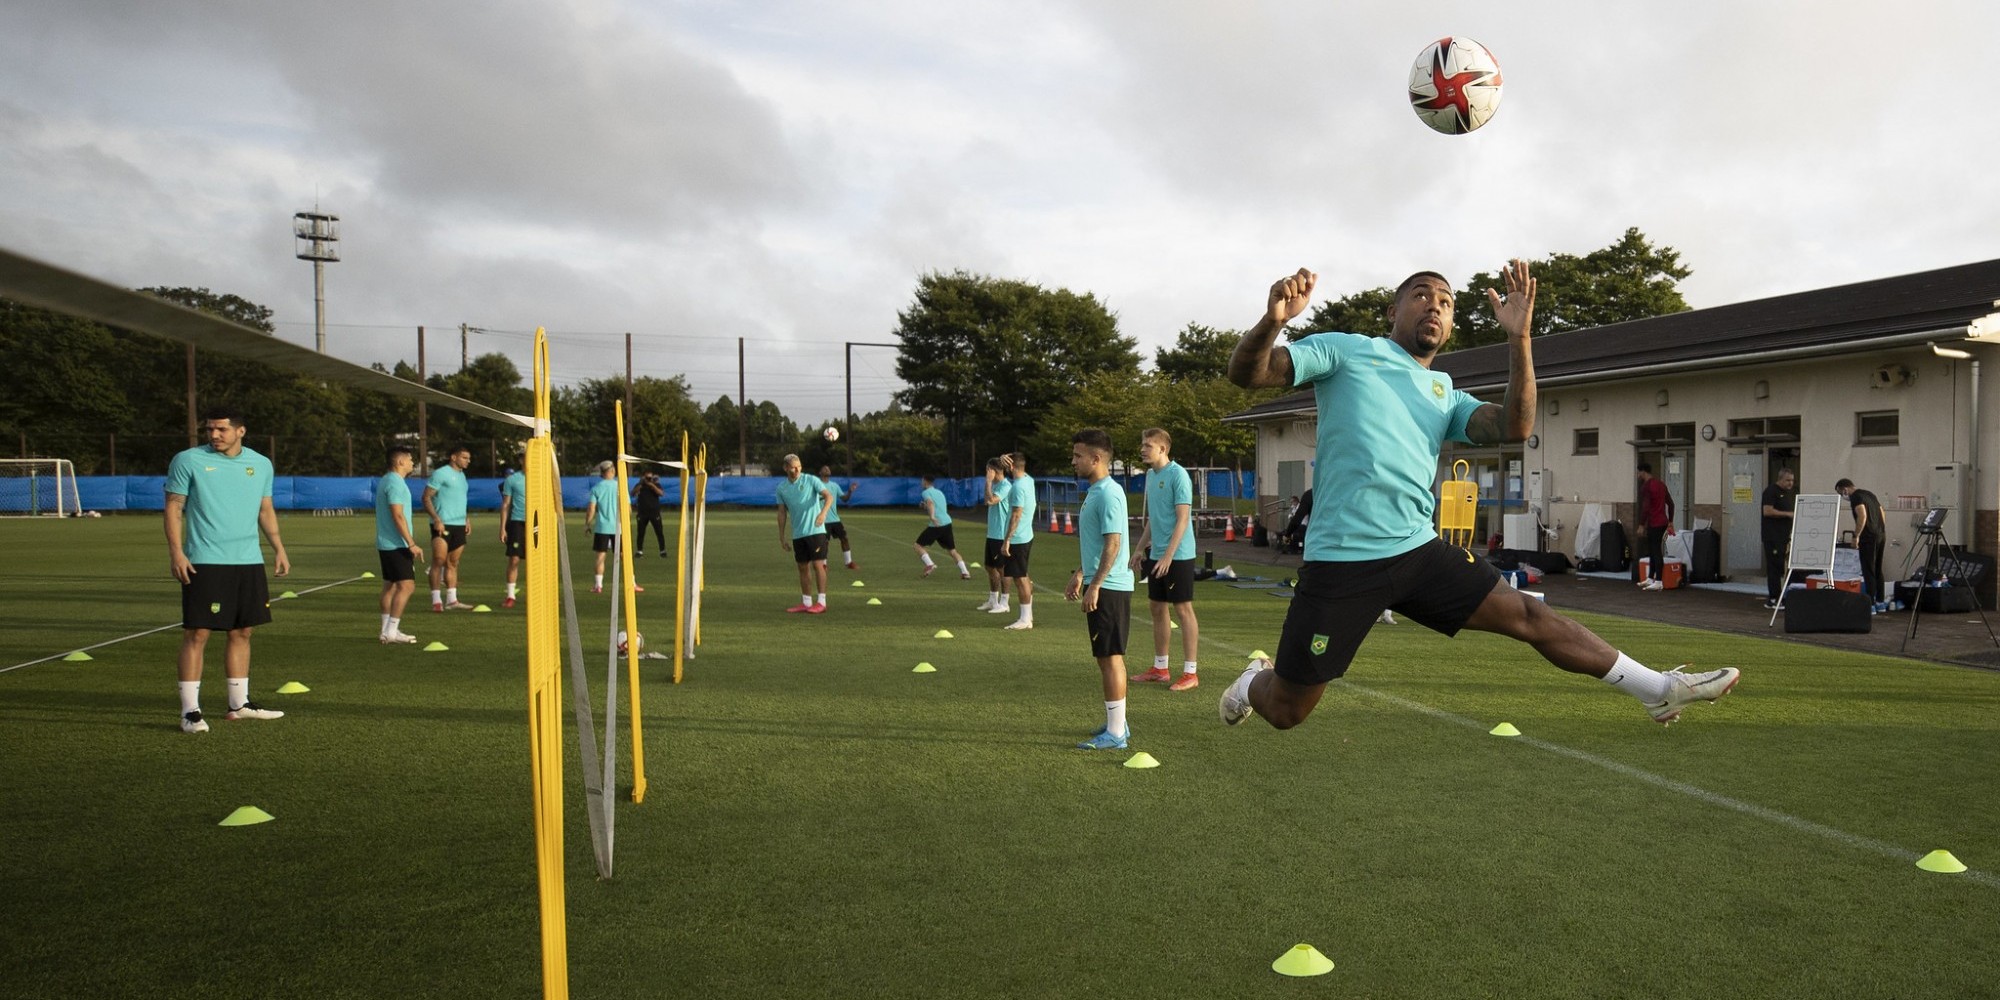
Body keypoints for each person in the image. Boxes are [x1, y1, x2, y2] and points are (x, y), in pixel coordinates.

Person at [1219, 262, 1739, 732]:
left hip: (1417, 551)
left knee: (1532, 617)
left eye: (1446, 302)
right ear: (1392, 310)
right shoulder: (1349, 350)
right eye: (1422, 295)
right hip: (1342, 562)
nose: (1435, 307)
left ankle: (1657, 689)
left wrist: (1521, 339)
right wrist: (1273, 323)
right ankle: (1250, 681)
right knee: (1288, 711)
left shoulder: (1444, 391)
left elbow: (1515, 425)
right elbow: (1251, 374)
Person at [162, 406, 289, 733]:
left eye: (222, 430)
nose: (214, 435)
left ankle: (239, 704)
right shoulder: (187, 460)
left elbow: (265, 509)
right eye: (210, 430)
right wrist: (176, 552)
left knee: (243, 630)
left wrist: (278, 548)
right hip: (204, 559)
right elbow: (174, 507)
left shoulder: (261, 464)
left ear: (240, 431)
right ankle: (190, 712)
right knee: (198, 633)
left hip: (248, 561)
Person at [1065, 428, 1136, 750]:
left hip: (1110, 588)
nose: (1073, 461)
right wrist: (1081, 573)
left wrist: (1096, 584)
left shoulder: (1108, 493)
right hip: (1102, 583)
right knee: (1106, 658)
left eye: (1078, 455)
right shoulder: (1097, 490)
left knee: (1110, 658)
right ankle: (1117, 723)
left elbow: (1114, 543)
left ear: (1096, 458)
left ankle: (1116, 734)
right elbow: (1097, 544)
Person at [1129, 428, 1201, 692]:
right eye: (1142, 445)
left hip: (1178, 555)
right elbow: (1154, 519)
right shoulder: (1150, 475)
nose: (1143, 449)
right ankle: (1160, 668)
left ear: (1163, 449)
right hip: (1157, 554)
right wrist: (1139, 549)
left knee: (1183, 609)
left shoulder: (1178, 475)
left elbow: (1183, 519)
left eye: (1148, 445)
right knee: (1156, 607)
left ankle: (1190, 673)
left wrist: (1170, 555)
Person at [373, 445, 424, 643]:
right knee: (407, 586)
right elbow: (397, 515)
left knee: (390, 586)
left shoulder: (387, 480)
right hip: (397, 544)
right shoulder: (395, 483)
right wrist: (411, 543)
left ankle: (386, 630)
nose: (413, 462)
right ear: (400, 462)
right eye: (410, 459)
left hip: (386, 543)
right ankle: (392, 631)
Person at [775, 454, 833, 613]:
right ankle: (806, 602)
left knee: (818, 565)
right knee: (802, 567)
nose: (796, 469)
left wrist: (823, 513)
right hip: (798, 534)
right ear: (785, 468)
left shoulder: (811, 480)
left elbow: (828, 497)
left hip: (816, 531)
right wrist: (782, 536)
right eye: (793, 467)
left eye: (799, 466)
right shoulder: (781, 488)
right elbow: (781, 513)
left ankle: (821, 602)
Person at [423, 445, 474, 611]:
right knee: (438, 561)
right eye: (464, 457)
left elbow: (461, 499)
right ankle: (436, 601)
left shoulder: (462, 476)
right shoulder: (441, 473)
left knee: (452, 562)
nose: (468, 461)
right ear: (454, 457)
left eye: (469, 458)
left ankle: (452, 600)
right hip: (442, 524)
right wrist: (436, 519)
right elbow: (426, 497)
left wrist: (466, 520)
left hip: (459, 525)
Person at [999, 452, 1038, 630]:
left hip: (1018, 538)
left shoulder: (1018, 487)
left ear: (1011, 466)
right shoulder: (1028, 480)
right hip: (1026, 535)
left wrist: (1007, 539)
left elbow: (1016, 514)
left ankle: (1024, 619)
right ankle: (1027, 615)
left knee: (1019, 578)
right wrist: (1007, 459)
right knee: (1023, 575)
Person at [1836, 477, 1886, 609]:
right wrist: (1881, 528)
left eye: (1841, 493)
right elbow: (1882, 512)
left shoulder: (1856, 497)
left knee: (1868, 569)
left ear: (1845, 489)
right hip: (1881, 534)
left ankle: (1870, 603)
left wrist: (1856, 536)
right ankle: (1881, 601)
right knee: (1877, 568)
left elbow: (1862, 515)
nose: (1842, 496)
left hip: (1868, 537)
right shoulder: (1869, 494)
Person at [913, 473, 970, 578]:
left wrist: (932, 517)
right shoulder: (939, 492)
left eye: (922, 481)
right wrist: (925, 506)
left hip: (936, 525)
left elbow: (931, 503)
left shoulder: (925, 492)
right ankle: (965, 572)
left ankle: (930, 564)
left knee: (917, 546)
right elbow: (936, 505)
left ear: (925, 482)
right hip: (947, 523)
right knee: (952, 551)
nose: (921, 483)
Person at [976, 457, 1014, 613]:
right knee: (990, 567)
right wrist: (990, 484)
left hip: (1001, 534)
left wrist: (988, 482)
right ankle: (993, 600)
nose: (987, 473)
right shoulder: (996, 485)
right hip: (992, 533)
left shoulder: (1005, 486)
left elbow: (991, 500)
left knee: (1003, 569)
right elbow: (986, 500)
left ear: (994, 470)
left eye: (988, 469)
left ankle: (1005, 603)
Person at [1636, 462, 1676, 592]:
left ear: (1643, 472)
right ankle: (1650, 578)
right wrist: (1670, 521)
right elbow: (1671, 504)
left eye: (1638, 472)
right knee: (1654, 550)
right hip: (1663, 522)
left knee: (1655, 551)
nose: (1637, 475)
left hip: (1654, 522)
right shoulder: (1661, 484)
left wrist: (1642, 524)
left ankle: (1658, 580)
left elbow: (1646, 507)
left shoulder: (1647, 487)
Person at [584, 461, 623, 593]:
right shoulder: (620, 486)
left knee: (600, 556)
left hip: (602, 527)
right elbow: (627, 509)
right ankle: (632, 582)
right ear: (612, 470)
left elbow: (591, 509)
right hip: (618, 527)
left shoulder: (596, 488)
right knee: (624, 556)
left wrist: (587, 524)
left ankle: (598, 585)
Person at [1761, 468, 1797, 610]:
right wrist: (1788, 514)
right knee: (1774, 567)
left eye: (1792, 480)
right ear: (1780, 479)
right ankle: (1773, 598)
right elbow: (1767, 511)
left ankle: (1778, 596)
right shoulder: (1771, 491)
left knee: (1779, 566)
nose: (1790, 483)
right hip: (1773, 536)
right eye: (1788, 480)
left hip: (1782, 536)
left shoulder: (1786, 494)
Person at [817, 465, 859, 570]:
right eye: (824, 468)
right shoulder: (817, 485)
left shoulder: (834, 485)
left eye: (828, 468)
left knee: (844, 539)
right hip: (823, 519)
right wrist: (823, 497)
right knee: (824, 542)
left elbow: (844, 499)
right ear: (820, 472)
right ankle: (823, 565)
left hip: (835, 519)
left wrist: (849, 491)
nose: (827, 469)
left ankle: (848, 562)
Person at [499, 464, 528, 608]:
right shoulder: (512, 480)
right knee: (514, 559)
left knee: (538, 562)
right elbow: (505, 504)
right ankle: (510, 595)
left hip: (538, 524)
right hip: (517, 522)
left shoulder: (542, 477)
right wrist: (503, 528)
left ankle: (539, 595)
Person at [632, 470, 666, 558]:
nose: (648, 480)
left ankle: (662, 550)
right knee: (640, 532)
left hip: (654, 512)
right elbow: (633, 493)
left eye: (650, 478)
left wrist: (652, 485)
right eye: (647, 478)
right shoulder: (640, 486)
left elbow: (661, 493)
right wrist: (641, 483)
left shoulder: (656, 485)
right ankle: (639, 551)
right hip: (642, 513)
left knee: (659, 532)